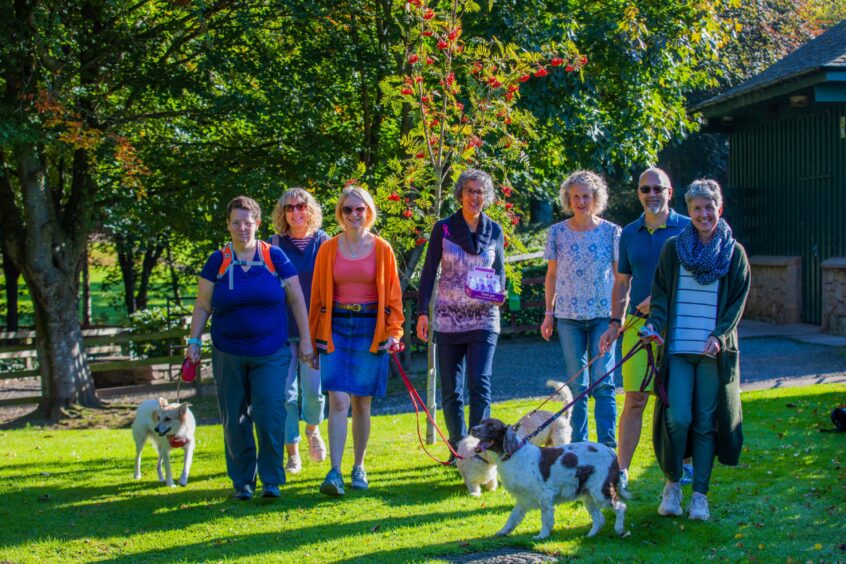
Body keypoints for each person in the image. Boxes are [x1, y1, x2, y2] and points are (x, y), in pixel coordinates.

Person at [186, 196, 313, 501]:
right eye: (235, 222)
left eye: (247, 222)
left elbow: (296, 299)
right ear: (228, 225)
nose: (242, 228)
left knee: (270, 412)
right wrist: (193, 342)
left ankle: (271, 480)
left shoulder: (275, 257)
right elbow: (203, 305)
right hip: (228, 352)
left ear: (258, 223)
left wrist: (306, 339)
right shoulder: (217, 261)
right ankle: (243, 481)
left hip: (270, 352)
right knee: (235, 418)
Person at [645, 179, 750, 521]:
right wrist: (654, 327)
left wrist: (720, 335)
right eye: (697, 208)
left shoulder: (734, 254)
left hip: (711, 353)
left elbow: (736, 304)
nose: (704, 214)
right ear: (688, 211)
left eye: (709, 207)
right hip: (677, 350)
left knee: (706, 423)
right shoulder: (674, 249)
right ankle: (673, 485)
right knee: (678, 418)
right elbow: (660, 297)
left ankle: (699, 497)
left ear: (719, 209)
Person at [599, 167, 690, 490]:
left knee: (675, 400)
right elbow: (622, 283)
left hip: (678, 326)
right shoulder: (630, 233)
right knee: (635, 398)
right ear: (638, 193)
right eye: (645, 189)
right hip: (638, 326)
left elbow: (696, 278)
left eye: (658, 188)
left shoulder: (687, 228)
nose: (652, 194)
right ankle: (620, 473)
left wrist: (661, 299)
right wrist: (614, 323)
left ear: (670, 191)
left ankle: (680, 468)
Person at [309, 185, 404, 496]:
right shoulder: (327, 249)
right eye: (348, 209)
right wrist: (312, 338)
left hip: (370, 327)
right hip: (335, 327)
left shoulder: (382, 249)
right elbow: (317, 297)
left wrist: (394, 331)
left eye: (359, 209)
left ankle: (358, 466)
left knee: (362, 402)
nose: (353, 215)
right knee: (337, 400)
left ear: (369, 212)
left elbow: (393, 296)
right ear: (340, 213)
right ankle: (334, 472)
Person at [416, 169, 506, 457]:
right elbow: (429, 272)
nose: (475, 196)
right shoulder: (443, 228)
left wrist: (499, 292)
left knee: (479, 383)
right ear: (460, 193)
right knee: (452, 391)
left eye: (480, 191)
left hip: (484, 318)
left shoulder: (495, 230)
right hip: (448, 320)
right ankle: (459, 450)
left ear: (487, 196)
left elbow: (499, 272)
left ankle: (482, 450)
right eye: (469, 190)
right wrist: (422, 313)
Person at [540, 170, 620, 448]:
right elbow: (551, 276)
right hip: (568, 318)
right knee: (578, 387)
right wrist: (548, 313)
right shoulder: (557, 232)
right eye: (576, 196)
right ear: (568, 199)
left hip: (602, 317)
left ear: (596, 198)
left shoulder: (611, 232)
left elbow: (621, 277)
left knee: (604, 383)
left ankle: (608, 449)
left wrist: (617, 318)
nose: (581, 201)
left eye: (586, 196)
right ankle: (580, 447)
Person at [270, 188, 330, 475]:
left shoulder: (323, 242)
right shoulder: (274, 244)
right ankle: (292, 452)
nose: (295, 212)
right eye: (289, 207)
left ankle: (312, 430)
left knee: (314, 391)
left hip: (315, 329)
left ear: (310, 210)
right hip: (282, 328)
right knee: (286, 394)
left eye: (300, 206)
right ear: (282, 213)